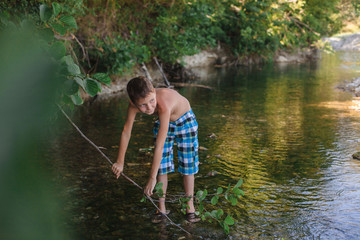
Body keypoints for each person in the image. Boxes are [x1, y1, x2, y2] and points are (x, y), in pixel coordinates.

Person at [112, 76, 200, 223]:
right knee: (162, 167)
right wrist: (120, 162)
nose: (149, 108)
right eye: (143, 105)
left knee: (187, 166)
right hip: (164, 121)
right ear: (133, 103)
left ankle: (189, 206)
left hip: (185, 121)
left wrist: (151, 178)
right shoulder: (133, 105)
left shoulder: (163, 104)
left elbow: (159, 146)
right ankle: (161, 209)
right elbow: (126, 132)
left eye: (151, 101)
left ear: (154, 91)